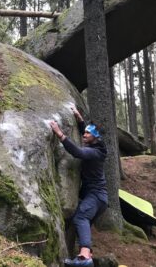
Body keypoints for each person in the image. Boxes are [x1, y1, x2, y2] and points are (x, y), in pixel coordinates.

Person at [50, 107, 108, 267]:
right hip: (99, 198)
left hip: (95, 196)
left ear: (95, 137)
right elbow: (87, 132)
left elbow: (77, 152)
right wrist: (79, 118)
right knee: (84, 225)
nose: (84, 135)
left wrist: (59, 133)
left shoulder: (94, 153)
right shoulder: (97, 146)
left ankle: (84, 258)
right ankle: (86, 256)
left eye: (88, 134)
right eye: (85, 132)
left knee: (81, 218)